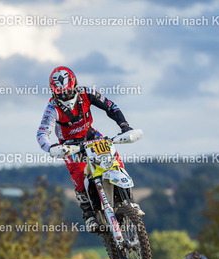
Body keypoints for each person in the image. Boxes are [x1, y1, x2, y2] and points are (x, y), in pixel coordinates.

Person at [36, 66, 144, 231]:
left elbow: (111, 107)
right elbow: (42, 133)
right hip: (69, 145)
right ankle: (89, 214)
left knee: (113, 156)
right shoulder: (52, 108)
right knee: (79, 172)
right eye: (61, 94)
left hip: (90, 135)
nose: (65, 96)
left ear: (75, 86)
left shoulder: (87, 93)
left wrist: (124, 126)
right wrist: (52, 147)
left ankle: (130, 200)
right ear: (54, 92)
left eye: (68, 92)